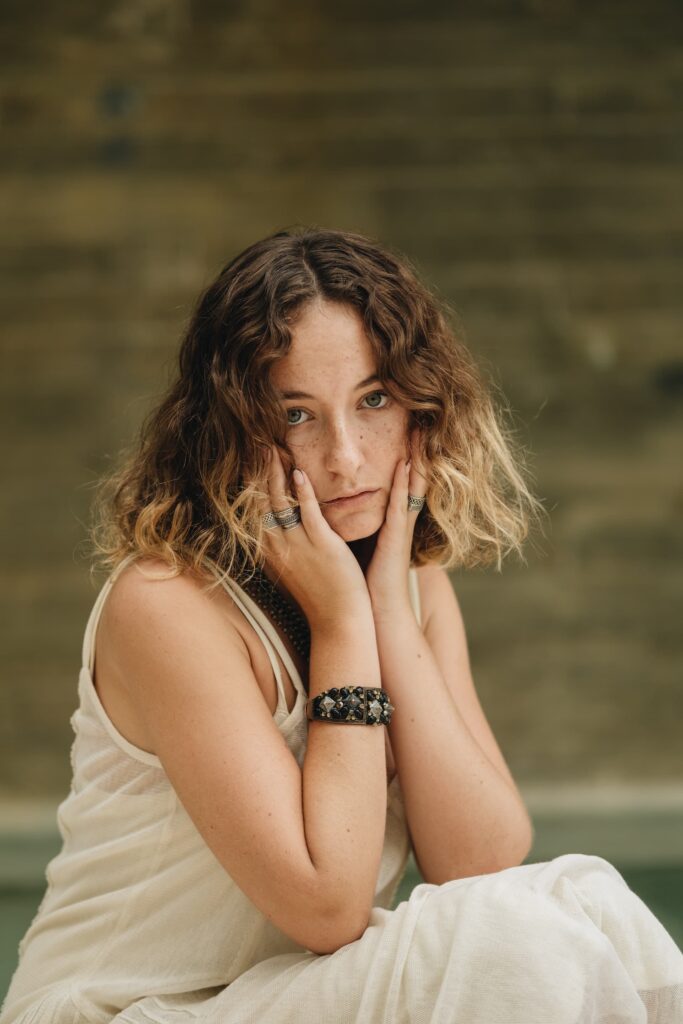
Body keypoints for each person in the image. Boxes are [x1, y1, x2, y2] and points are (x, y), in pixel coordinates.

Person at [2, 227, 681, 1024]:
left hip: (283, 1001)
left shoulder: (407, 582)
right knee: (515, 941)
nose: (347, 458)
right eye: (297, 414)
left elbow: (479, 859)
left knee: (586, 902)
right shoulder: (167, 605)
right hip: (123, 1010)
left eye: (373, 401)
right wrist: (343, 626)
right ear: (234, 429)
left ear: (422, 406)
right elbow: (328, 906)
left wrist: (387, 606)